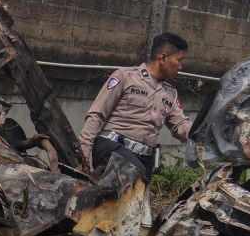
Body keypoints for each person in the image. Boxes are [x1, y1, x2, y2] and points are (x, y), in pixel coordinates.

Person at [79, 32, 191, 177]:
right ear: (163, 58)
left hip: (144, 159)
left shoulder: (170, 94)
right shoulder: (126, 77)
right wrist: (84, 156)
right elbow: (96, 114)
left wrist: (204, 135)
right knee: (136, 174)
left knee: (138, 193)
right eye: (179, 60)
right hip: (113, 147)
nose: (180, 67)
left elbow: (181, 125)